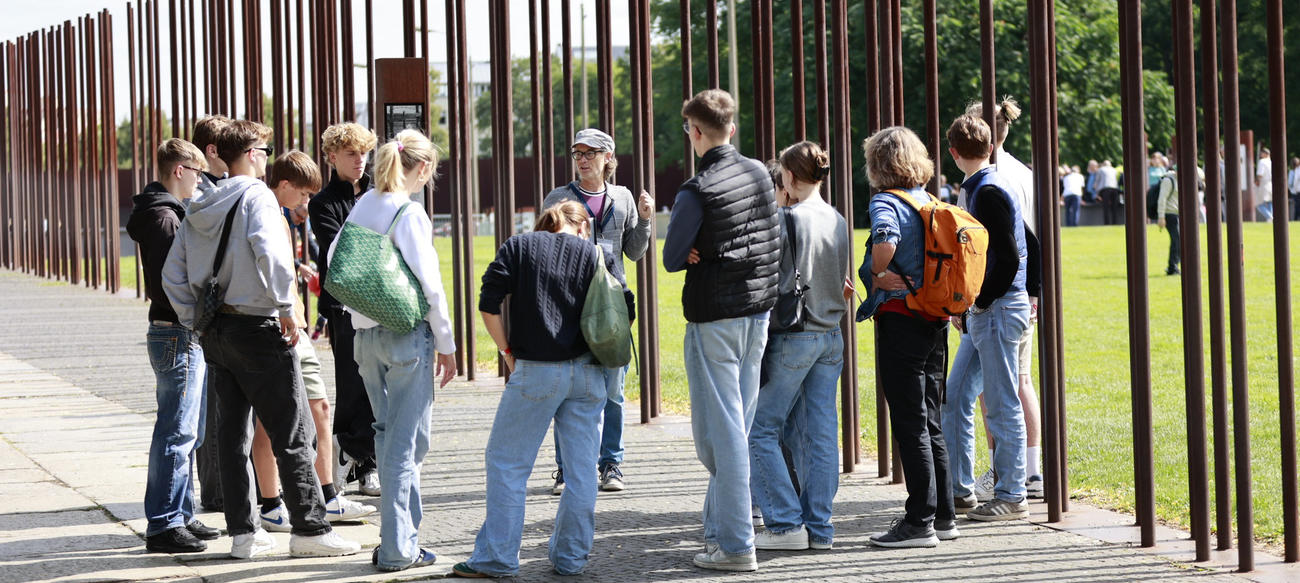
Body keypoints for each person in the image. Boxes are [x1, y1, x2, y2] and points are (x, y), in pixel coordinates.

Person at [162, 120, 361, 559]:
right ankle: (309, 529)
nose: (266, 158)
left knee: (232, 436)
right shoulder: (257, 198)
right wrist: (287, 309)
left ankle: (244, 534)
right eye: (264, 150)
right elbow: (271, 255)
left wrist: (194, 317)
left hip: (216, 329)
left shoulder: (200, 203)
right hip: (259, 324)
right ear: (251, 154)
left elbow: (172, 274)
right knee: (291, 430)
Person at [452, 201, 620, 578]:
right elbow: (625, 307)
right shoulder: (597, 255)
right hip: (589, 374)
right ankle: (571, 558)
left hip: (536, 370)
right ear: (581, 227)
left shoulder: (519, 246)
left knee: (508, 464)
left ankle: (497, 557)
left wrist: (508, 352)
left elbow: (488, 303)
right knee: (582, 473)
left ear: (546, 222)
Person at [329, 130, 457, 572]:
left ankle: (398, 539)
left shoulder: (364, 204)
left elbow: (335, 262)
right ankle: (399, 546)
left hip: (365, 339)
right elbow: (431, 285)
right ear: (421, 168)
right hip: (406, 337)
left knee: (389, 437)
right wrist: (447, 343)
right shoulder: (409, 211)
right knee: (407, 445)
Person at [663, 89, 780, 572]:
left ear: (695, 131)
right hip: (759, 313)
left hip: (717, 316)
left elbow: (671, 257)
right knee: (737, 426)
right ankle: (720, 533)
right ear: (731, 127)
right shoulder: (758, 172)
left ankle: (735, 545)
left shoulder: (697, 189)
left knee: (724, 435)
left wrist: (695, 250)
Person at [251, 151, 376, 534]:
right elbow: (265, 266)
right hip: (280, 324)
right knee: (275, 419)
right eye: (303, 195)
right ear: (285, 186)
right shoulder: (266, 211)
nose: (307, 203)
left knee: (317, 408)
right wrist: (288, 310)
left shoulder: (278, 214)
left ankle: (323, 495)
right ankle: (276, 503)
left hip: (291, 324)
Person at [854, 126, 959, 547]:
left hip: (900, 317)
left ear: (878, 164)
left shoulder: (886, 201)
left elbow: (885, 236)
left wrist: (879, 273)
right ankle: (946, 515)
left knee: (909, 420)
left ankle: (919, 521)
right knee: (932, 418)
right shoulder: (928, 200)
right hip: (934, 317)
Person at [748, 141, 850, 552]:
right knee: (822, 435)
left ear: (788, 176)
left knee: (759, 429)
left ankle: (785, 522)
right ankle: (820, 528)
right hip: (831, 335)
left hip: (794, 336)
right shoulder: (838, 218)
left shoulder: (786, 218)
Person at [540, 128, 653, 495]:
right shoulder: (558, 198)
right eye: (577, 153)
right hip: (570, 304)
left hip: (612, 305)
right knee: (567, 390)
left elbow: (633, 252)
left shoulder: (622, 198)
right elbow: (544, 249)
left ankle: (611, 465)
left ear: (608, 157)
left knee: (613, 391)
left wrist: (647, 220)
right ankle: (566, 468)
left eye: (590, 152)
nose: (583, 159)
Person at [128, 138, 221, 553]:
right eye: (197, 173)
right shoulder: (165, 218)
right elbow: (175, 282)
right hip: (177, 332)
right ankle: (164, 524)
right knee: (176, 432)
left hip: (178, 332)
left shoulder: (163, 213)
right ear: (179, 169)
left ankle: (180, 514)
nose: (200, 181)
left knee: (189, 431)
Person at [940, 114, 1033, 522]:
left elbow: (1011, 257)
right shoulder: (986, 185)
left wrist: (978, 301)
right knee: (957, 394)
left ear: (954, 152)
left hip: (995, 310)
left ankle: (1013, 494)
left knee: (1000, 404)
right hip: (991, 309)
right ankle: (960, 490)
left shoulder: (987, 190)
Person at [964, 98, 1044, 502]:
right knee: (1018, 382)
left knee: (998, 391)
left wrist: (979, 299)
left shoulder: (993, 178)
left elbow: (1013, 244)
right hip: (1021, 291)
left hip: (1001, 293)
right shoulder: (1023, 173)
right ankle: (1029, 471)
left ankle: (1009, 476)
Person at [308, 123, 382, 497]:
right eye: (351, 154)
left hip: (382, 303)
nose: (359, 161)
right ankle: (351, 452)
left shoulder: (380, 192)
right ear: (332, 157)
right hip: (342, 306)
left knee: (378, 384)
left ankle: (363, 461)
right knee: (353, 383)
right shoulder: (322, 203)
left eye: (364, 153)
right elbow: (342, 251)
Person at [189, 115, 232, 513]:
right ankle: (217, 492)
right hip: (211, 316)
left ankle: (220, 489)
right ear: (213, 151)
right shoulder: (205, 194)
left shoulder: (213, 189)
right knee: (212, 407)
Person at [1256, 147, 1273, 220]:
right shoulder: (1271, 162)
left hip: (1264, 184)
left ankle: (1270, 217)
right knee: (1269, 202)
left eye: (1262, 153)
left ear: (1266, 154)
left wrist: (1257, 182)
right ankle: (1270, 218)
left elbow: (1260, 174)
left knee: (1259, 204)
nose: (1260, 155)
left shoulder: (1262, 161)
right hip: (1271, 184)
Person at [1288, 156, 1300, 221]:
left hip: (1296, 191)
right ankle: (1296, 219)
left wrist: (1291, 189)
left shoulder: (1292, 171)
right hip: (1296, 191)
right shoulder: (1293, 171)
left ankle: (1296, 219)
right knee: (1297, 206)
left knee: (1297, 206)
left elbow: (1290, 183)